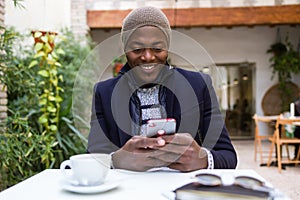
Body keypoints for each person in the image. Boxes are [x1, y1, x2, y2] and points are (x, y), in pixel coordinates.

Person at [87, 6, 237, 172]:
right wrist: (116, 160)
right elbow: (92, 158)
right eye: (137, 49)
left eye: (157, 48)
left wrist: (202, 160)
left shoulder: (199, 85)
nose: (148, 57)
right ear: (125, 48)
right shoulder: (104, 92)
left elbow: (228, 156)